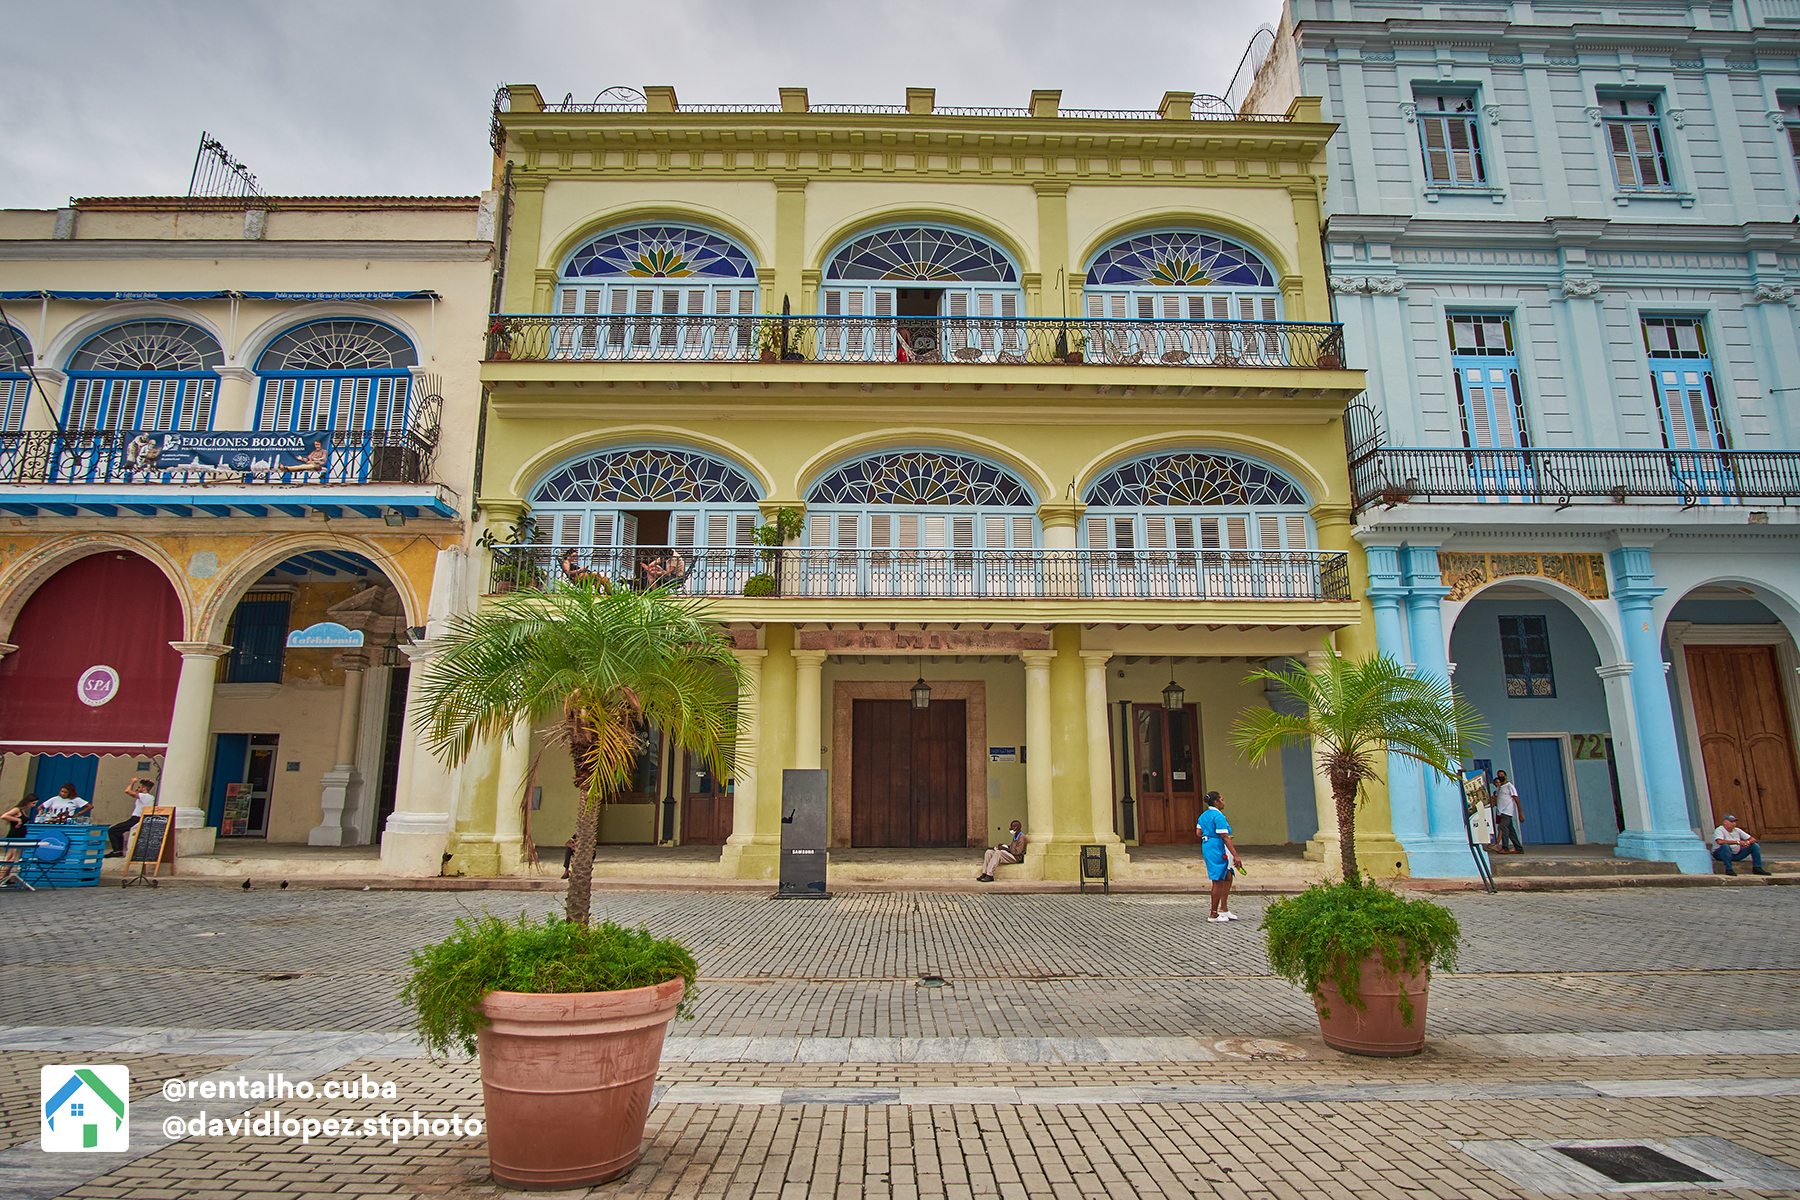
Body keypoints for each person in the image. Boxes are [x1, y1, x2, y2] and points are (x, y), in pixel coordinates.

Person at [1197, 792, 1244, 922]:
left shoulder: (1203, 815)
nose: (1224, 802)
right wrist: (1235, 855)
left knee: (1228, 875)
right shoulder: (1218, 816)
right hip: (1217, 847)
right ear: (1216, 802)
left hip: (1208, 845)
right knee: (1217, 879)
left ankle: (1224, 908)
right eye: (1222, 799)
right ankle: (1213, 913)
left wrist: (1208, 834)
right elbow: (1225, 836)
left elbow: (1198, 832)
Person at [108, 778, 157, 858]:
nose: (137, 788)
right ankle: (118, 850)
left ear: (144, 788)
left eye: (139, 787)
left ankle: (117, 851)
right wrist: (141, 786)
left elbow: (128, 791)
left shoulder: (144, 796)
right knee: (117, 831)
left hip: (137, 819)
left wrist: (132, 782)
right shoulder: (147, 797)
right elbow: (134, 792)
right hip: (136, 818)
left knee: (112, 830)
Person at [1492, 770, 1525, 853]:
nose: (1501, 776)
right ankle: (1518, 848)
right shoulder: (1499, 788)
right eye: (1499, 775)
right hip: (1500, 812)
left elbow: (1516, 800)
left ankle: (1505, 848)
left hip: (1507, 811)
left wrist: (1520, 814)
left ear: (1506, 776)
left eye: (1502, 775)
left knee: (1503, 827)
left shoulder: (1509, 786)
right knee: (1511, 830)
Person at [0, 799, 30, 885]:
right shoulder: (17, 809)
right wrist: (17, 820)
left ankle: (5, 876)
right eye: (33, 803)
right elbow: (4, 816)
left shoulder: (24, 811)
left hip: (20, 835)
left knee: (9, 857)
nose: (33, 806)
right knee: (14, 858)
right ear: (28, 802)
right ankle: (1, 877)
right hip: (15, 835)